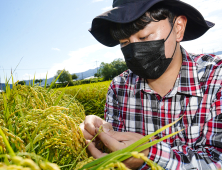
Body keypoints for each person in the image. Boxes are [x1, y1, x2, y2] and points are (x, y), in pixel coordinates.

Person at [80, 0, 222, 169]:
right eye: (124, 43)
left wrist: (149, 156)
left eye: (144, 37)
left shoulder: (216, 79)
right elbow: (115, 150)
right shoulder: (118, 88)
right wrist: (100, 135)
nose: (134, 51)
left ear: (178, 28)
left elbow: (217, 160)